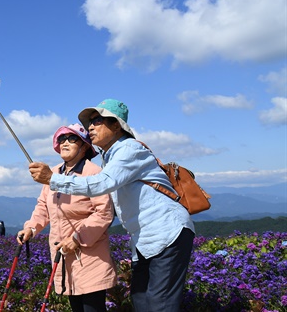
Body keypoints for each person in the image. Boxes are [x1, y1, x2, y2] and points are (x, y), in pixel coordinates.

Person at [28, 99, 195, 312]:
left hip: (167, 232)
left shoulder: (129, 150)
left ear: (116, 125)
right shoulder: (110, 157)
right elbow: (45, 205)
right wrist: (32, 226)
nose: (90, 127)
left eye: (97, 121)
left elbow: (102, 184)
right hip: (145, 240)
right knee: (142, 300)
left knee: (159, 303)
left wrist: (53, 179)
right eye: (90, 122)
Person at [18, 123, 117, 312]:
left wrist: (77, 238)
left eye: (72, 139)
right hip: (63, 256)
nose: (65, 142)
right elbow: (43, 207)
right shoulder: (52, 174)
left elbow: (103, 213)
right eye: (61, 139)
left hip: (90, 257)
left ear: (84, 146)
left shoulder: (93, 173)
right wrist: (31, 228)